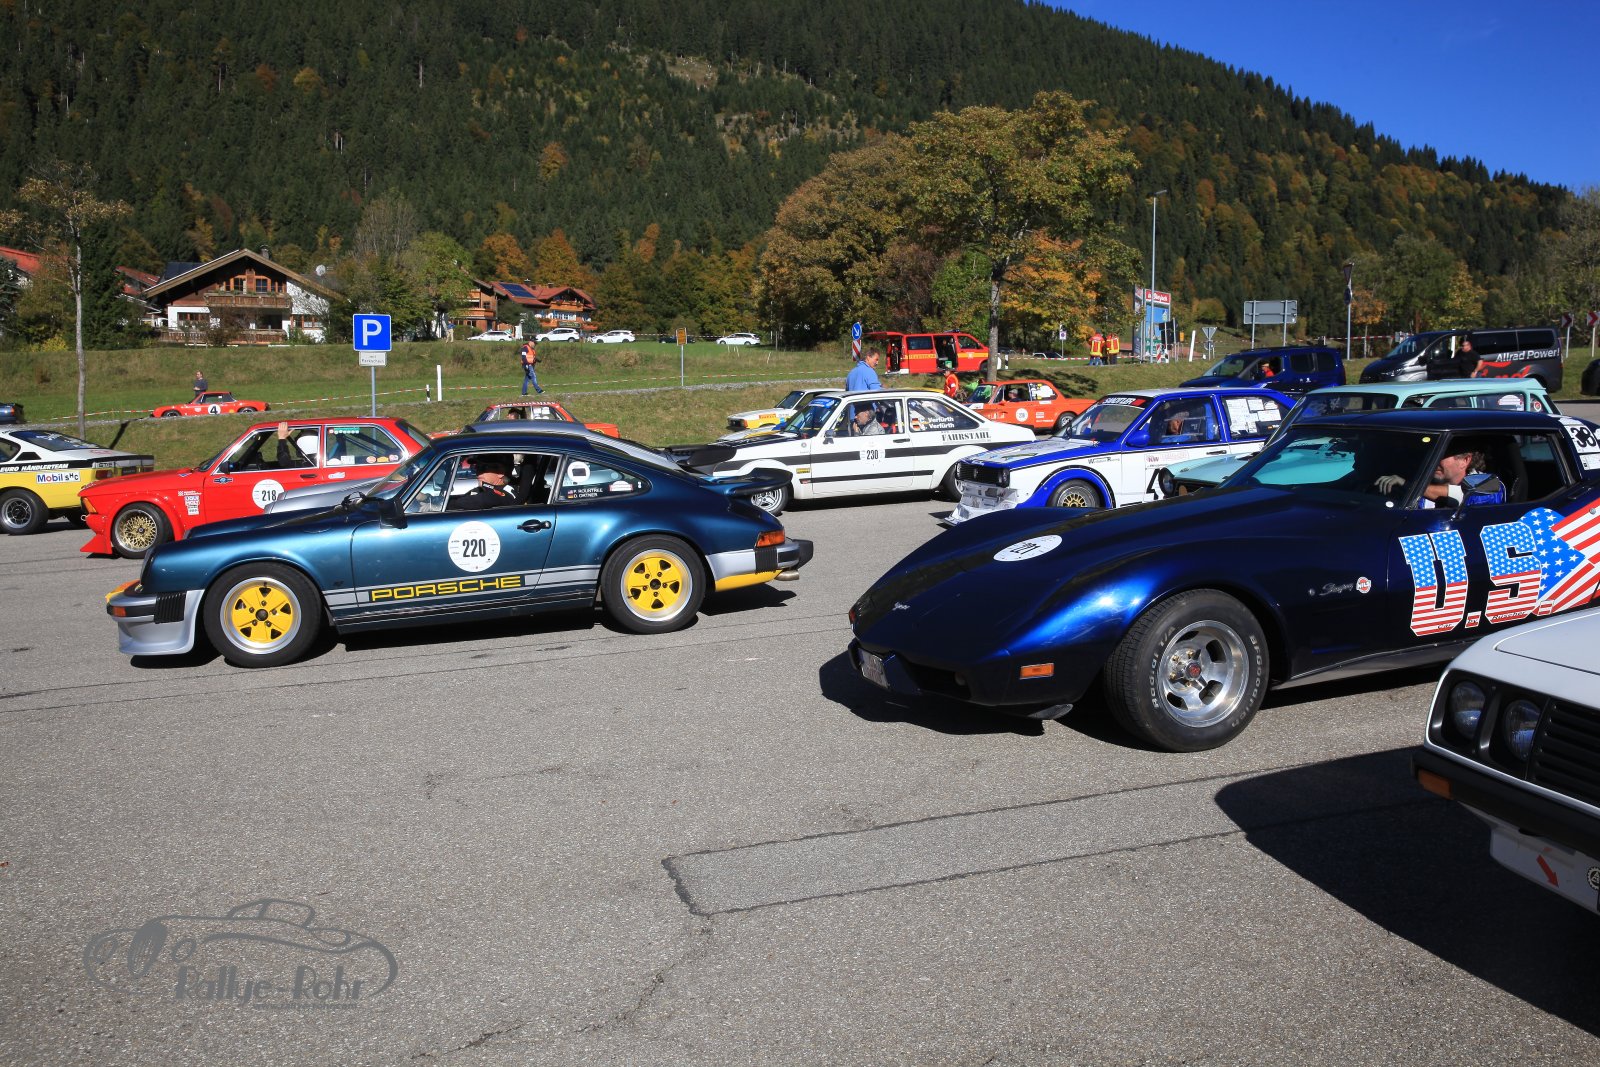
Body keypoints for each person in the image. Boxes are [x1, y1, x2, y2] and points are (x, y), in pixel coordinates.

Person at [1376, 446, 1505, 508]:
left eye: (1441, 456)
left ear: (1465, 460)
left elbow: (1465, 495)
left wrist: (1406, 485)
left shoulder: (1490, 483)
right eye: (1432, 455)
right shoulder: (1420, 482)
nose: (1434, 461)